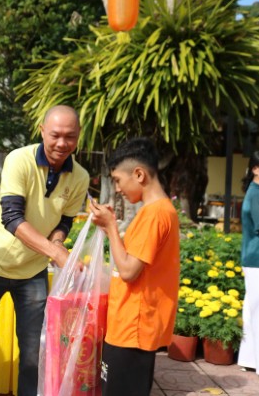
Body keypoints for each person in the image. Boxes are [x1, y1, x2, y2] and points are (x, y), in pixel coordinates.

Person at [0, 105, 89, 396]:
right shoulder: (19, 160)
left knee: (33, 350)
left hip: (33, 271)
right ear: (42, 131)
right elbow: (12, 217)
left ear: (79, 136)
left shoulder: (80, 177)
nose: (62, 143)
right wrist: (56, 253)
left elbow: (64, 221)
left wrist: (57, 243)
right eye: (55, 135)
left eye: (70, 136)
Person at [89, 137, 180, 396]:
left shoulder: (154, 214)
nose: (117, 189)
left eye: (118, 180)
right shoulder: (159, 211)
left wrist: (110, 227)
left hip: (133, 328)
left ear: (139, 174)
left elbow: (129, 271)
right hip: (132, 325)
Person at [237, 150, 259, 377]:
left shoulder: (256, 192)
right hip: (258, 259)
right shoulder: (256, 194)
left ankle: (249, 359)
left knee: (253, 309)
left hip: (254, 259)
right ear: (256, 169)